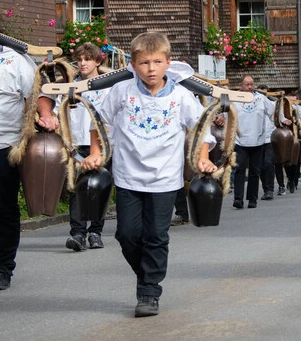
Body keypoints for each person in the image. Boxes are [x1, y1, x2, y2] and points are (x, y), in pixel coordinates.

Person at [81, 31, 217, 317]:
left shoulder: (181, 96)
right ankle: (147, 275)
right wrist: (95, 152)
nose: (151, 69)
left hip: (166, 179)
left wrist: (203, 158)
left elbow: (201, 127)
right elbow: (98, 120)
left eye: (157, 62)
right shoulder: (121, 92)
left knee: (156, 235)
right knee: (126, 234)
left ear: (169, 62)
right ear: (132, 64)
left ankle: (149, 291)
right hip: (128, 176)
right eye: (144, 63)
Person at [0, 42, 38, 291]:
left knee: (2, 209)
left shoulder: (15, 60)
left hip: (4, 146)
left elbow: (36, 94)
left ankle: (2, 267)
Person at [63, 43, 112, 249]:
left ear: (98, 61)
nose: (83, 63)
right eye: (80, 60)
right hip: (76, 145)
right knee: (77, 189)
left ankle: (95, 232)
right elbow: (59, 109)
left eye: (88, 59)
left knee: (99, 189)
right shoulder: (69, 87)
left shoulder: (107, 86)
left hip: (102, 145)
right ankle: (78, 233)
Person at [231, 76, 267, 209]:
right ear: (241, 85)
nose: (250, 87)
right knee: (240, 169)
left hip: (257, 140)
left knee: (254, 171)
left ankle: (252, 199)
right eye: (247, 84)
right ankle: (238, 199)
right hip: (240, 140)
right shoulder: (235, 98)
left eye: (252, 84)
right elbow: (226, 114)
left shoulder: (261, 99)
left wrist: (282, 119)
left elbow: (273, 111)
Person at [257, 85, 277, 200]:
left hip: (269, 137)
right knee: (260, 166)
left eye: (264, 94)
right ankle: (265, 189)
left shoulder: (272, 104)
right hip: (257, 139)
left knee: (268, 163)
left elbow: (278, 116)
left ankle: (270, 189)